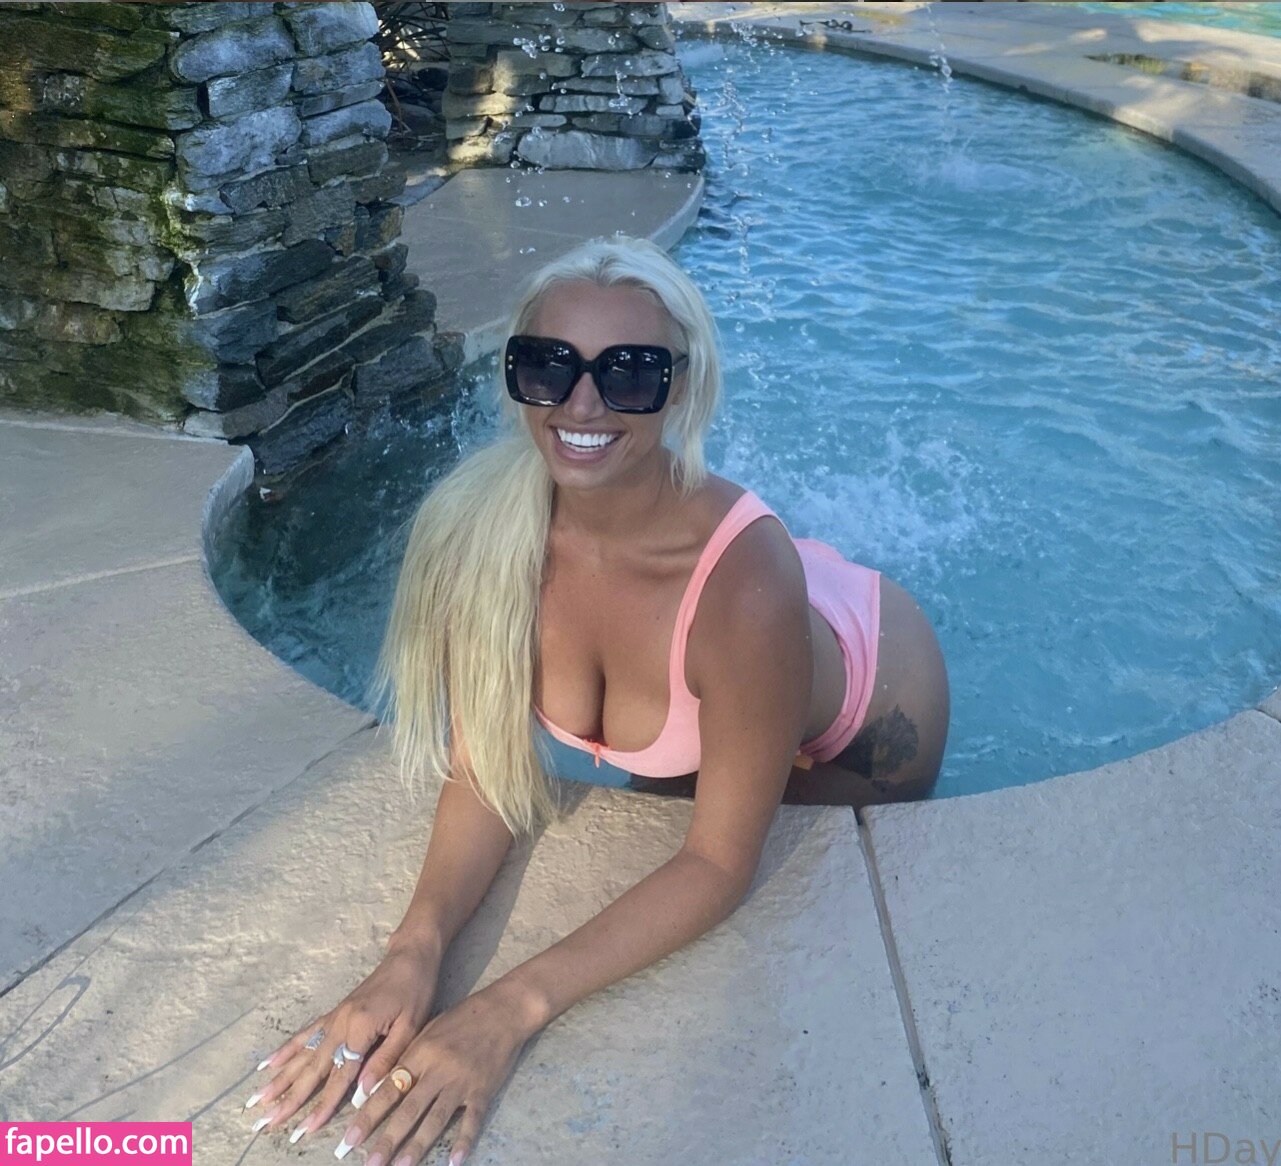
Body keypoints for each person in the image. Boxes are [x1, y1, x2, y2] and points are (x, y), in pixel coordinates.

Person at [243, 234, 950, 1166]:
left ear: (681, 387)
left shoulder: (744, 586)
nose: (581, 404)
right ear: (514, 376)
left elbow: (716, 864)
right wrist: (411, 953)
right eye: (549, 365)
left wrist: (505, 1011)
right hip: (739, 650)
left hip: (869, 716)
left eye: (629, 373)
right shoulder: (480, 538)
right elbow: (486, 773)